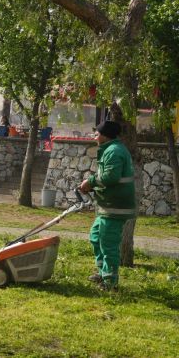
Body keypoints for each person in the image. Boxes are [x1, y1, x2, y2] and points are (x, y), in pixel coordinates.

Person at [79, 120, 136, 291]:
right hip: (107, 205)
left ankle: (110, 282)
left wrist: (89, 182)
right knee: (96, 236)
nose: (95, 137)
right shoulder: (110, 149)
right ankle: (102, 272)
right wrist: (91, 184)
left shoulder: (114, 151)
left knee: (108, 243)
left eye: (96, 134)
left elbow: (111, 177)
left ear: (104, 135)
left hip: (115, 206)